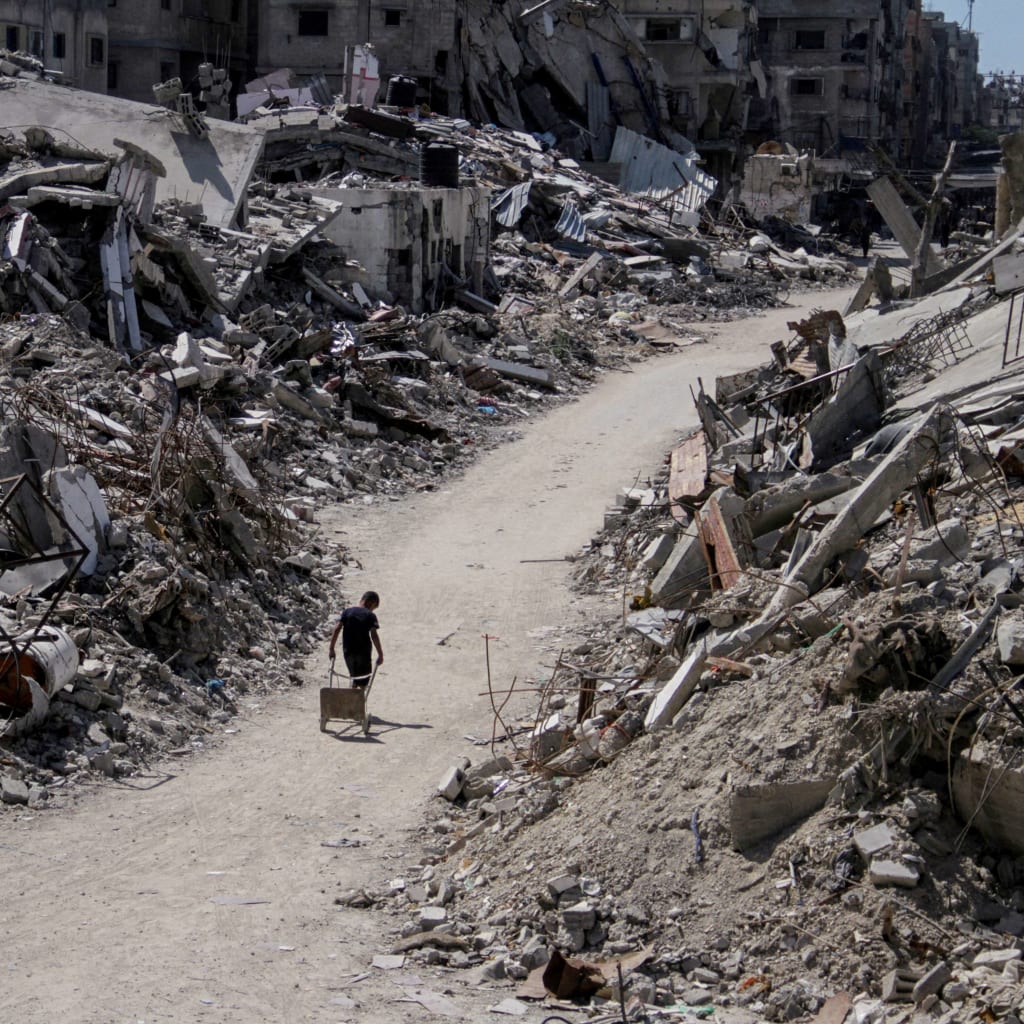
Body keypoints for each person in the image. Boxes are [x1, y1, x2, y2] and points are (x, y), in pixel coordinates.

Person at [328, 591, 383, 687]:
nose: (372, 610)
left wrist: (331, 649)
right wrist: (380, 654)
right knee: (363, 680)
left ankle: (352, 688)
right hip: (363, 653)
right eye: (374, 608)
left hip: (348, 651)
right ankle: (359, 695)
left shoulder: (347, 612)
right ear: (371, 603)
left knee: (354, 675)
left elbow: (337, 629)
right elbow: (374, 636)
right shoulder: (370, 616)